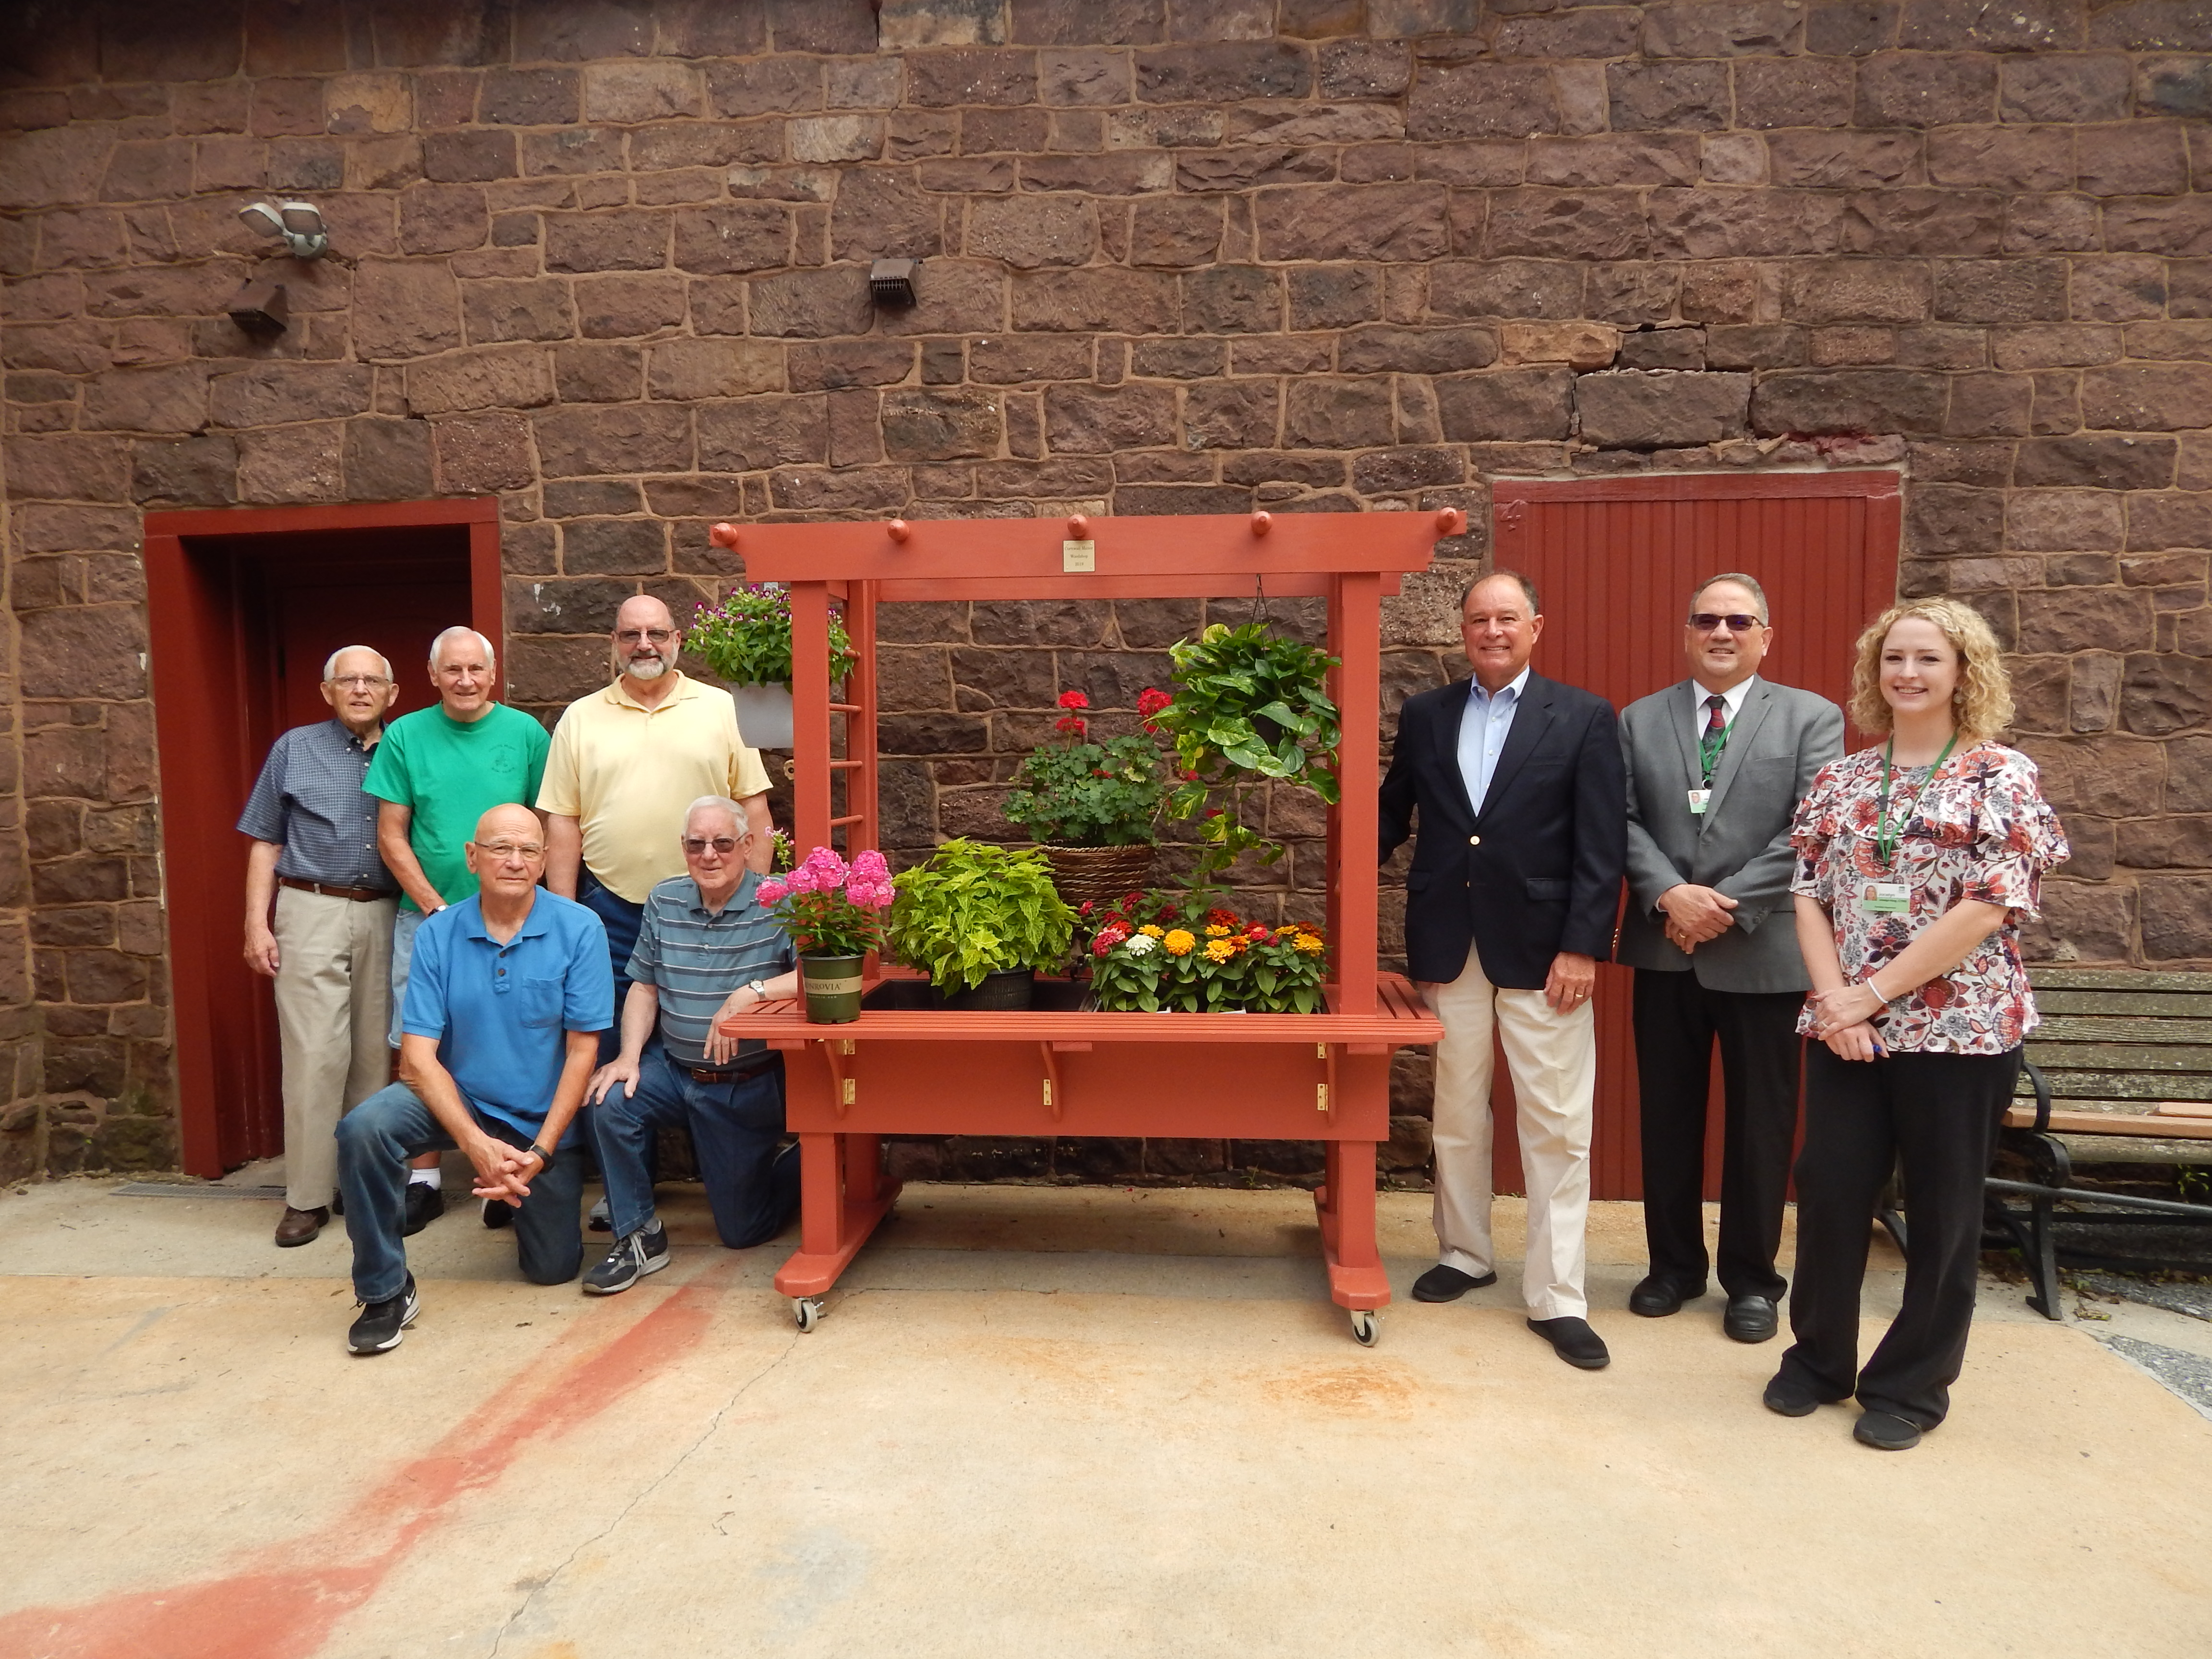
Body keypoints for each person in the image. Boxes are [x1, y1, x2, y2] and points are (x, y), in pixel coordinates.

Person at [1767, 599, 2066, 1449]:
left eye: (1927, 659)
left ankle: (1909, 1386)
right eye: (1893, 658)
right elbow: (1807, 895)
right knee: (1828, 1190)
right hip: (1847, 1030)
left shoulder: (1999, 775)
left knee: (1942, 1211)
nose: (1907, 673)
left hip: (1959, 1033)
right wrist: (1835, 1004)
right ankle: (1817, 1359)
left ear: (1962, 673)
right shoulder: (1844, 779)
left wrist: (1873, 994)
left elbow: (1990, 905)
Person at [1379, 569, 1627, 1370]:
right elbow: (1390, 812)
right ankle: (1463, 1253)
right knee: (1454, 1106)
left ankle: (1556, 1296)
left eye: (1507, 617)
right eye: (1479, 618)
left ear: (1535, 626)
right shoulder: (1425, 715)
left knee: (1554, 1121)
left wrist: (1584, 944)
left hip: (1545, 948)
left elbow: (1600, 843)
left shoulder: (1584, 717)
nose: (1492, 630)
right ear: (1463, 631)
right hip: (1450, 940)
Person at [1618, 575, 1845, 1343]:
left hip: (1763, 952)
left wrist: (1721, 906)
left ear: (1764, 635)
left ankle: (1752, 1281)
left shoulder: (1813, 718)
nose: (1722, 631)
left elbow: (1809, 828)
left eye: (1738, 620)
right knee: (1668, 1117)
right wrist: (1668, 894)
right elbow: (1618, 820)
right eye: (1707, 619)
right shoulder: (1638, 719)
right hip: (1665, 948)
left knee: (1762, 1126)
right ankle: (1673, 1267)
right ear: (1687, 632)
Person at [334, 805, 613, 1354]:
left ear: (545, 860)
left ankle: (507, 1191)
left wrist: (540, 1149)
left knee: (553, 1270)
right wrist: (476, 1146)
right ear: (472, 857)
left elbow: (583, 1051)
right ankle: (385, 1290)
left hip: (536, 1118)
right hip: (459, 1101)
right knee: (363, 1131)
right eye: (500, 849)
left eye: (529, 850)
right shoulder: (440, 933)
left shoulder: (581, 928)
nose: (514, 861)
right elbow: (417, 1060)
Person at [364, 625, 552, 1228]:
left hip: (518, 923)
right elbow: (392, 832)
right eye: (453, 670)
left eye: (476, 669)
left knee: (516, 1038)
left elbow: (544, 825)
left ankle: (503, 1169)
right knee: (420, 1045)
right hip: (430, 921)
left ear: (492, 674)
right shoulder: (405, 736)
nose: (465, 681)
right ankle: (423, 1177)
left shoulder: (525, 734)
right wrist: (436, 908)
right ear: (433, 675)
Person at [539, 595, 775, 1071]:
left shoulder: (722, 708)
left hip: (707, 911)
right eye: (631, 635)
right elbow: (562, 820)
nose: (644, 645)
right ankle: (609, 1142)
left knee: (707, 1045)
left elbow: (753, 806)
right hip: (610, 912)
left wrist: (754, 901)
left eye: (656, 634)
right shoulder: (581, 717)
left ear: (677, 641)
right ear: (614, 644)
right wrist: (566, 917)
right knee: (600, 1043)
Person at [581, 796, 801, 1294]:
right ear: (683, 848)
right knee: (610, 1099)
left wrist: (749, 994)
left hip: (741, 1084)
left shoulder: (779, 898)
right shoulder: (665, 899)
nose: (710, 855)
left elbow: (815, 977)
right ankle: (637, 1235)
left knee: (744, 1232)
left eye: (723, 843)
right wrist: (630, 1057)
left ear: (747, 846)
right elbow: (644, 985)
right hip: (674, 1071)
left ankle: (802, 1160)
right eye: (697, 844)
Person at [237, 647, 402, 1247]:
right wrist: (257, 924)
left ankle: (365, 1189)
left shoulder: (406, 746)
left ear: (394, 692)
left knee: (373, 1057)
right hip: (309, 908)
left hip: (386, 910)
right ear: (327, 691)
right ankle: (307, 1197)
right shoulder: (293, 748)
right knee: (313, 1056)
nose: (360, 689)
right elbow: (264, 841)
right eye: (348, 680)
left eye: (372, 680)